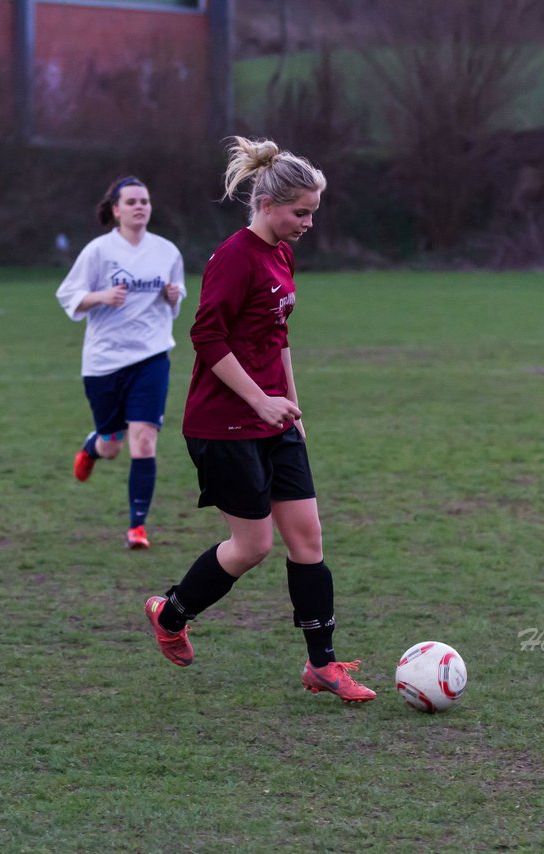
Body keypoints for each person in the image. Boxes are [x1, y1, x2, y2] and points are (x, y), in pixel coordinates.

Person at [142, 137, 375, 703]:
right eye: (301, 212)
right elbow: (206, 337)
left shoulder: (282, 253)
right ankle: (170, 613)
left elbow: (277, 334)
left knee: (308, 538)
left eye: (313, 213)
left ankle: (322, 664)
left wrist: (291, 403)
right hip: (222, 426)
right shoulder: (234, 256)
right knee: (252, 547)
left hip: (275, 422)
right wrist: (260, 401)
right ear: (268, 204)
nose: (308, 223)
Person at [56, 176, 186, 550]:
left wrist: (172, 294)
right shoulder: (99, 251)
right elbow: (68, 296)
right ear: (116, 210)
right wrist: (101, 296)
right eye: (131, 202)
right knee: (113, 444)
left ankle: (137, 527)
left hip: (151, 356)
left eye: (144, 201)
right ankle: (93, 447)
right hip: (105, 361)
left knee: (143, 440)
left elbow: (175, 304)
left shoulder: (167, 252)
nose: (140, 206)